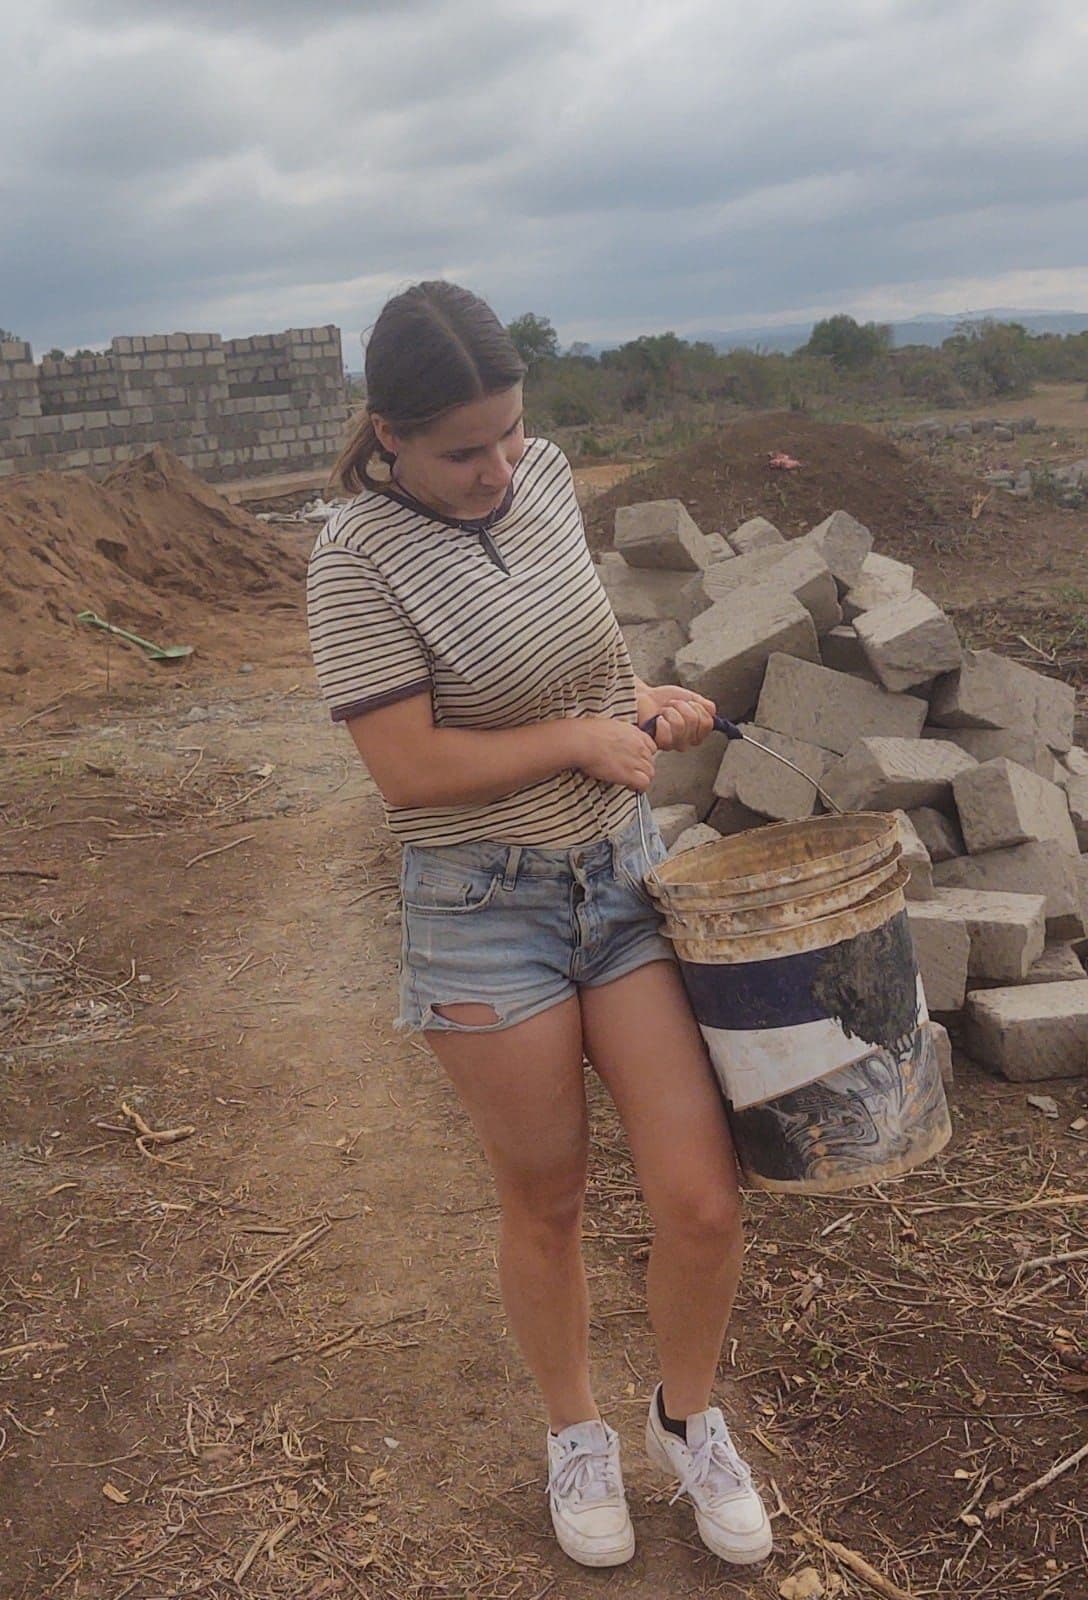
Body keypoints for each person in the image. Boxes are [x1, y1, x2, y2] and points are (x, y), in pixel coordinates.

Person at [306, 281, 772, 1570]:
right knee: (548, 1198)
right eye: (465, 449)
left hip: (617, 885)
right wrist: (574, 739)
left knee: (700, 1198)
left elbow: (579, 669)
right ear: (388, 432)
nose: (499, 468)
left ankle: (687, 1419)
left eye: (512, 434)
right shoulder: (353, 559)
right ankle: (576, 1433)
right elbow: (406, 770)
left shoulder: (548, 479)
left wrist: (639, 703)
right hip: (480, 910)